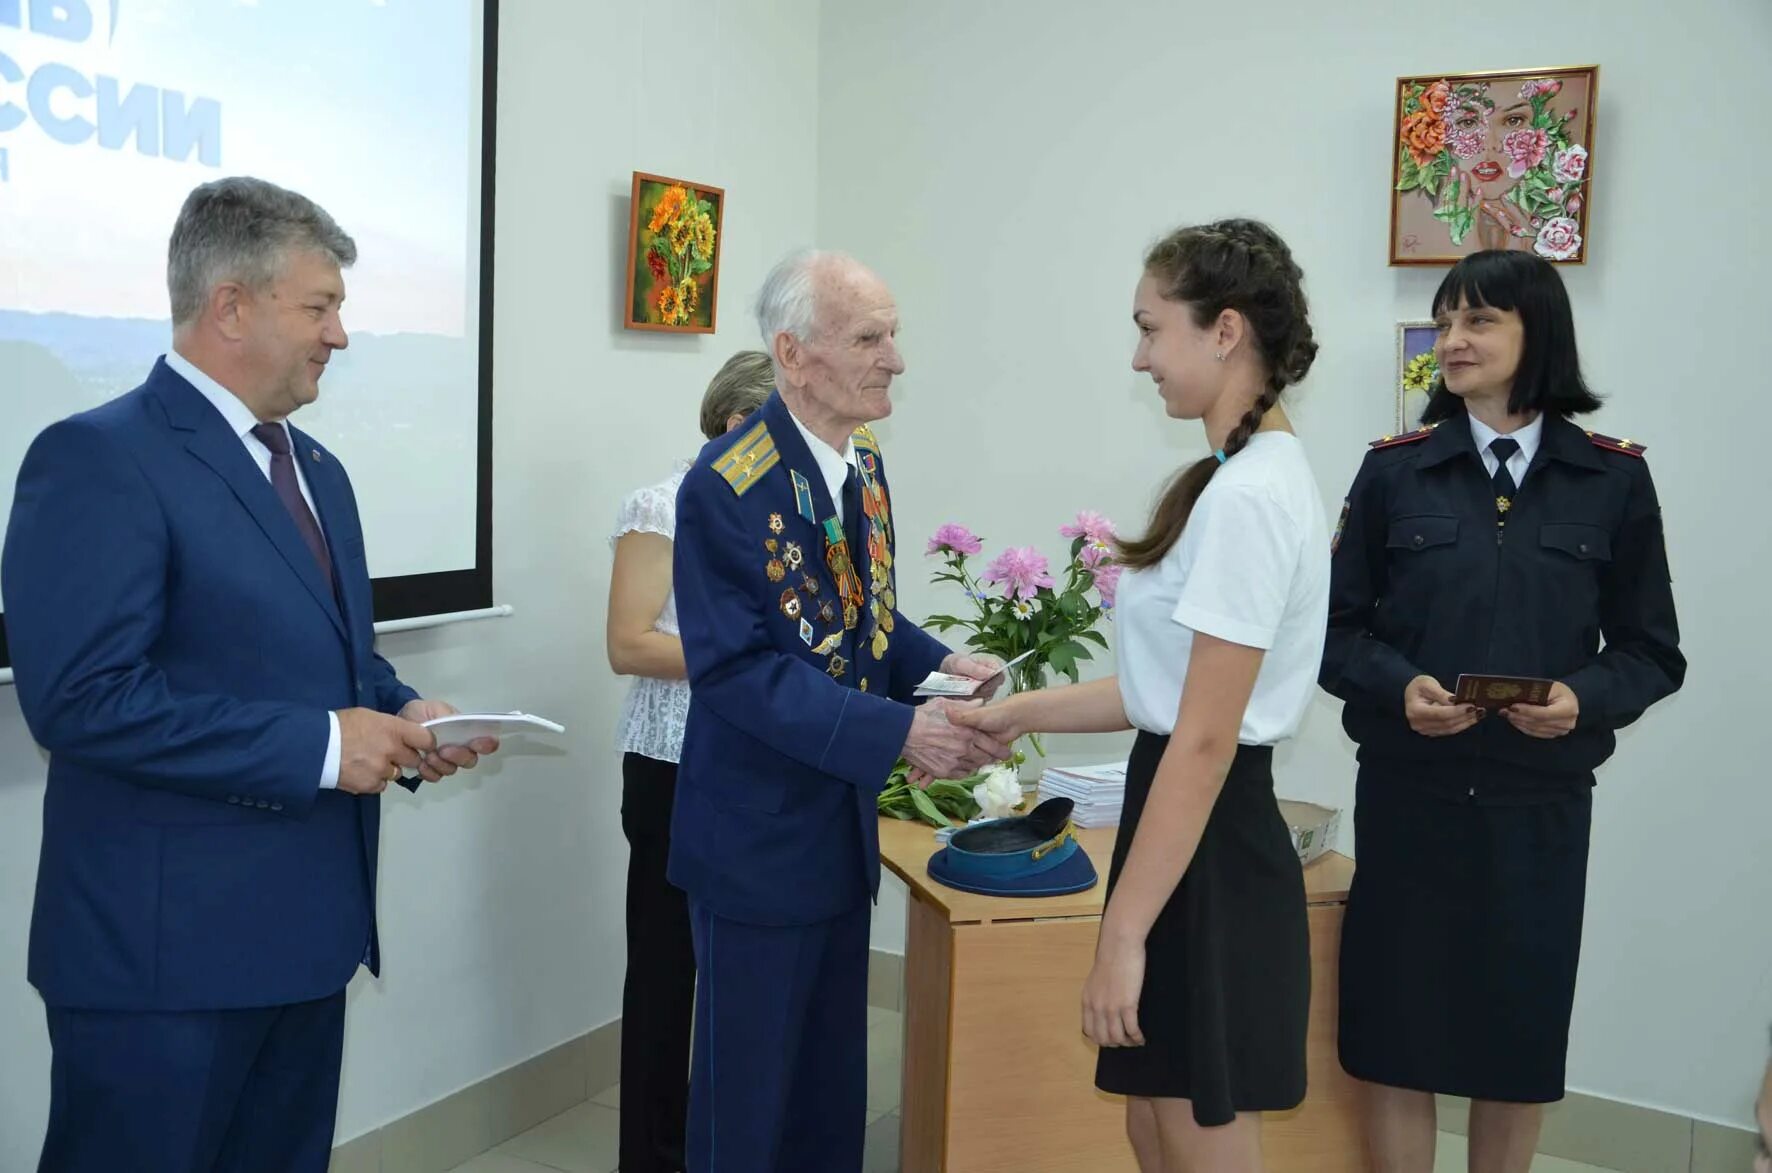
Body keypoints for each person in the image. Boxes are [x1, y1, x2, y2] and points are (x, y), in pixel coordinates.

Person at [1, 176, 499, 1173]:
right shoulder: (96, 458)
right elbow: (81, 701)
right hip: (162, 966)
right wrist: (324, 746)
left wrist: (401, 709)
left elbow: (334, 653)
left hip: (307, 944)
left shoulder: (319, 469)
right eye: (320, 307)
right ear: (231, 305)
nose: (341, 335)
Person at [957, 219, 1329, 1172]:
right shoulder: (1231, 481)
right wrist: (1013, 712)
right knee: (1153, 1122)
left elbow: (1203, 741)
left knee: (1200, 1129)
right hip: (1182, 822)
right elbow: (1159, 693)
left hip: (1207, 836)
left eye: (1150, 328)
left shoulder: (1250, 496)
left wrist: (1121, 933)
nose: (1139, 357)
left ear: (1225, 331)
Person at [1319, 248, 1684, 1173]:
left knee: (1513, 1047)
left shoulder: (1613, 479)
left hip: (1541, 811)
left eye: (1477, 321)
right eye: (1444, 323)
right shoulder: (1395, 471)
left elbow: (1651, 650)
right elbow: (1333, 634)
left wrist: (1583, 698)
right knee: (1396, 1036)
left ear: (1537, 334)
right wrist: (1400, 687)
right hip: (1410, 798)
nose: (1452, 340)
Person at [669, 249, 1010, 1171]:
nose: (895, 357)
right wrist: (902, 729)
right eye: (870, 336)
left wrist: (944, 666)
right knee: (745, 1109)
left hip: (835, 829)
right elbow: (736, 670)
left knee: (827, 1098)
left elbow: (864, 622)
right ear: (792, 352)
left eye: (893, 333)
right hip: (754, 843)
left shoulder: (863, 467)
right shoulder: (725, 483)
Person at [604, 349, 774, 1173]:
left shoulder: (775, 514)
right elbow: (629, 643)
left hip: (759, 768)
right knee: (669, 974)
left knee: (747, 974)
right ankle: (653, 1158)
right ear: (740, 425)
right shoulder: (662, 505)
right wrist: (752, 655)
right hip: (673, 764)